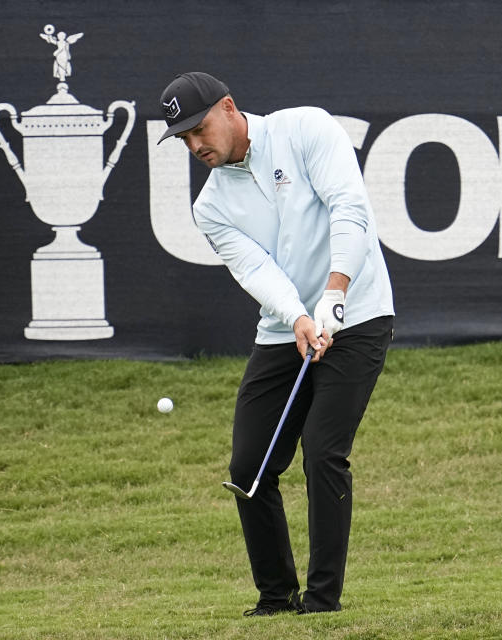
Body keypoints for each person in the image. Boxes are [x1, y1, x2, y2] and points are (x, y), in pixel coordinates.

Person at [157, 72, 394, 616]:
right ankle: (274, 597)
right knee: (249, 467)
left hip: (358, 315)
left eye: (199, 128)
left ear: (229, 107)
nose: (195, 144)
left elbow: (350, 210)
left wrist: (336, 290)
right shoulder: (210, 207)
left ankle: (322, 601)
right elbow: (256, 270)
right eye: (183, 138)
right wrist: (298, 315)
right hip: (286, 328)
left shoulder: (305, 128)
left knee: (323, 452)